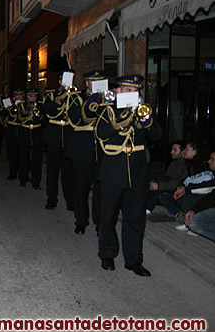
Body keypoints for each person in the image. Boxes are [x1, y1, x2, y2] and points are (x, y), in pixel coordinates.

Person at [94, 75, 161, 276]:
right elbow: (102, 133)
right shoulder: (108, 110)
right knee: (109, 215)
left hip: (137, 172)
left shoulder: (143, 110)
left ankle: (133, 260)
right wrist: (120, 123)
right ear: (118, 91)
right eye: (124, 89)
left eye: (133, 90)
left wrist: (147, 121)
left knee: (135, 218)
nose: (128, 93)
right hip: (113, 171)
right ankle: (107, 254)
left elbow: (157, 135)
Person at [66, 70, 106, 233]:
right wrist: (91, 102)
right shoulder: (77, 97)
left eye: (99, 81)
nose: (94, 84)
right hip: (82, 148)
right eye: (91, 81)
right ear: (87, 83)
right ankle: (81, 221)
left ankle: (99, 222)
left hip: (101, 149)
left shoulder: (106, 99)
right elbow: (74, 117)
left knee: (100, 189)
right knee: (81, 188)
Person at [43, 72, 75, 211]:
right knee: (52, 170)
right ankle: (51, 198)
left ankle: (70, 200)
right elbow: (48, 111)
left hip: (68, 135)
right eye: (62, 79)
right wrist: (61, 97)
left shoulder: (75, 96)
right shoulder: (51, 95)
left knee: (68, 172)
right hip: (54, 135)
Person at [145, 141, 187, 212]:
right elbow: (166, 176)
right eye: (172, 149)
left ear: (183, 152)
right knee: (159, 179)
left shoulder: (185, 166)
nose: (172, 152)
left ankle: (148, 207)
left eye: (175, 150)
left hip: (177, 189)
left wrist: (159, 185)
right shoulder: (174, 163)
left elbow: (177, 182)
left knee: (160, 184)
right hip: (169, 185)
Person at [17, 88, 44, 190]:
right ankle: (23, 179)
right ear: (27, 96)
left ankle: (36, 182)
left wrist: (38, 114)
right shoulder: (22, 105)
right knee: (23, 158)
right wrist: (27, 112)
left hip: (36, 133)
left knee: (37, 159)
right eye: (30, 96)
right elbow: (19, 118)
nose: (32, 98)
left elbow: (44, 121)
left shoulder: (40, 105)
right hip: (25, 133)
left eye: (34, 96)